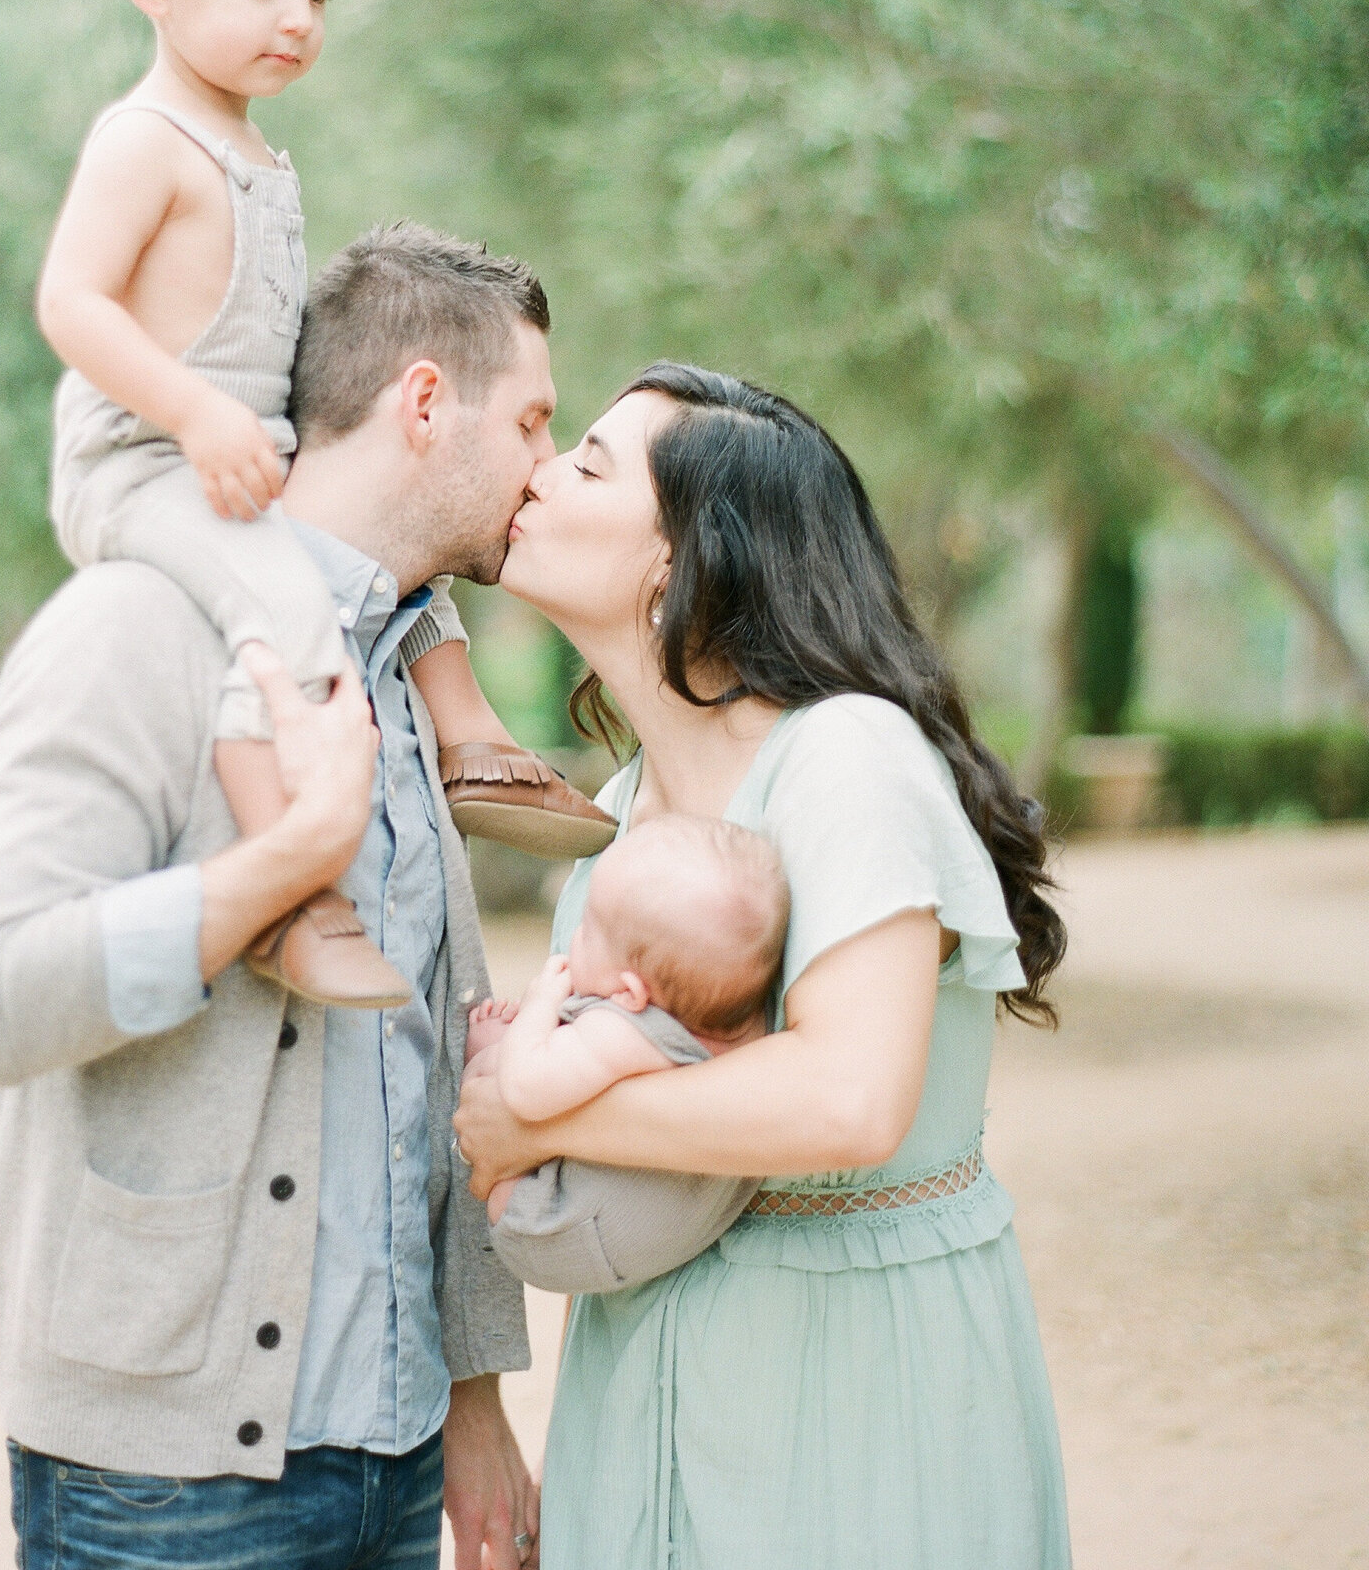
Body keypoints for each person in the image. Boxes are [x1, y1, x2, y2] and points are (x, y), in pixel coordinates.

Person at [0, 224, 561, 1570]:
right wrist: (279, 871)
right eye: (529, 420)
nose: (545, 467)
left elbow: (423, 1067)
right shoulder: (130, 630)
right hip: (164, 1492)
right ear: (420, 405)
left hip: (397, 1474)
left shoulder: (407, 677)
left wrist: (471, 1401)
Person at [455, 363, 1073, 1569]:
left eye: (585, 462)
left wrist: (532, 1112)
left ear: (676, 561)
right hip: (644, 1375)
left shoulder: (847, 756)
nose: (535, 474)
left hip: (849, 1378)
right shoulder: (623, 812)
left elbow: (848, 1097)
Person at [35, 0, 612, 1004]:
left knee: (397, 558)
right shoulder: (146, 141)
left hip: (234, 454)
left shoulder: (254, 150)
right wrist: (195, 416)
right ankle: (290, 896)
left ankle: (474, 745)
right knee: (292, 619)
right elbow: (73, 307)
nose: (297, 20)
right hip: (143, 465)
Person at [461, 817, 787, 1294]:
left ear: (632, 992)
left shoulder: (621, 1030)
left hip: (554, 1231)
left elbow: (526, 1092)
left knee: (493, 1065)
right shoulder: (740, 1028)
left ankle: (484, 1046)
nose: (576, 934)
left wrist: (539, 1004)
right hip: (656, 1230)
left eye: (590, 928)